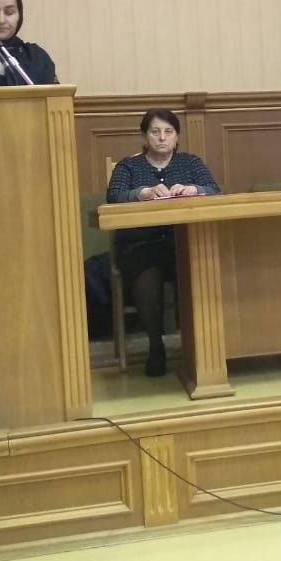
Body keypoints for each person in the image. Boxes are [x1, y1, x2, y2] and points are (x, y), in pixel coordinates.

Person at [106, 109, 220, 377]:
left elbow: (215, 190)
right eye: (155, 132)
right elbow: (113, 196)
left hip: (181, 242)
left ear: (176, 137)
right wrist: (142, 193)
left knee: (200, 265)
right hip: (140, 243)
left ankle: (202, 347)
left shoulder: (190, 163)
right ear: (144, 137)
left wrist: (194, 190)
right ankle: (155, 345)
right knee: (147, 272)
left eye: (168, 132)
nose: (161, 138)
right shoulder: (129, 166)